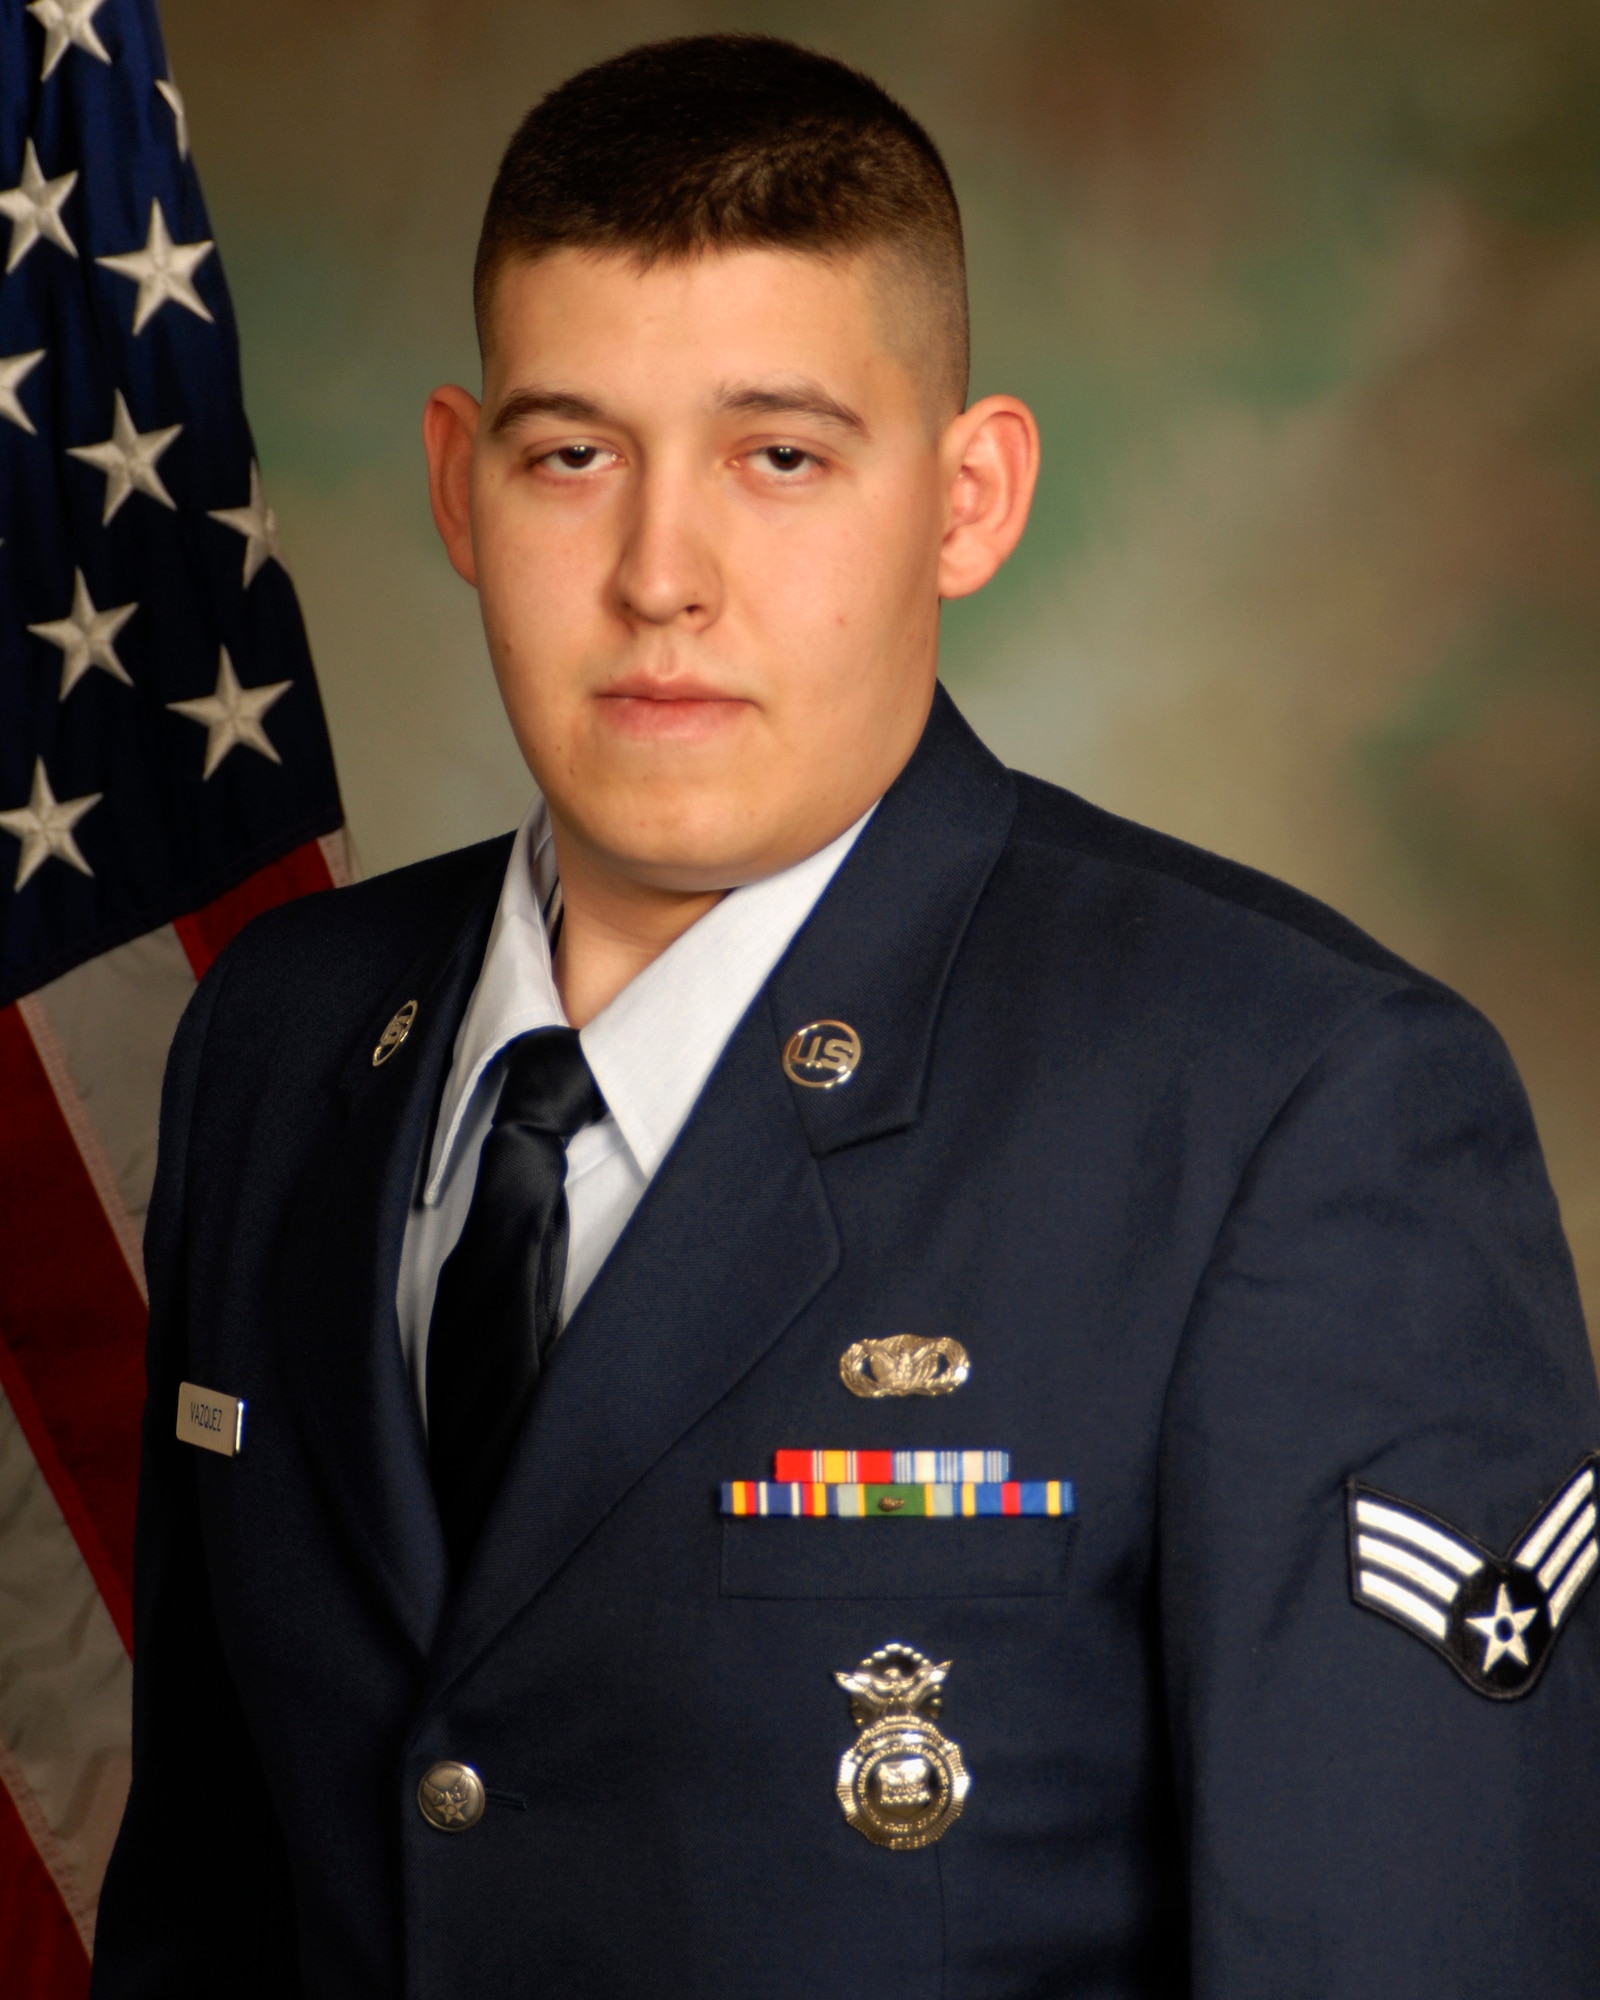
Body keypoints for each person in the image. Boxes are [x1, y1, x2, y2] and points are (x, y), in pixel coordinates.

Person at [92, 32, 1600, 2000]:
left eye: (778, 457)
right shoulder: (281, 1043)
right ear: (459, 486)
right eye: (573, 456)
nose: (659, 579)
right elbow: (211, 1906)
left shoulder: (1289, 1108)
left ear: (965, 499)